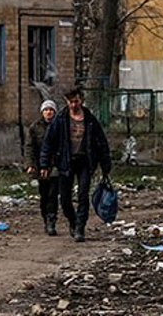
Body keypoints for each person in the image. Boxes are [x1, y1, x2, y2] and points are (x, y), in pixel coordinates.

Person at [39, 87, 111, 242]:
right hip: (66, 162)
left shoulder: (90, 119)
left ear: (81, 100)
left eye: (76, 101)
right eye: (70, 102)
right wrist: (44, 165)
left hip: (85, 161)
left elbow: (101, 143)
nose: (73, 105)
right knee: (65, 199)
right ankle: (72, 220)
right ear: (67, 102)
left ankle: (80, 228)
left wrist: (106, 166)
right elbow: (48, 143)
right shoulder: (61, 119)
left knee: (83, 195)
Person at [26, 99, 60, 235]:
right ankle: (46, 218)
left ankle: (52, 221)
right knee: (44, 194)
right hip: (41, 165)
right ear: (42, 112)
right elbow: (30, 147)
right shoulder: (35, 127)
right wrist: (30, 164)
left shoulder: (59, 126)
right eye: (46, 110)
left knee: (53, 194)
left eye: (51, 110)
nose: (48, 112)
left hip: (56, 165)